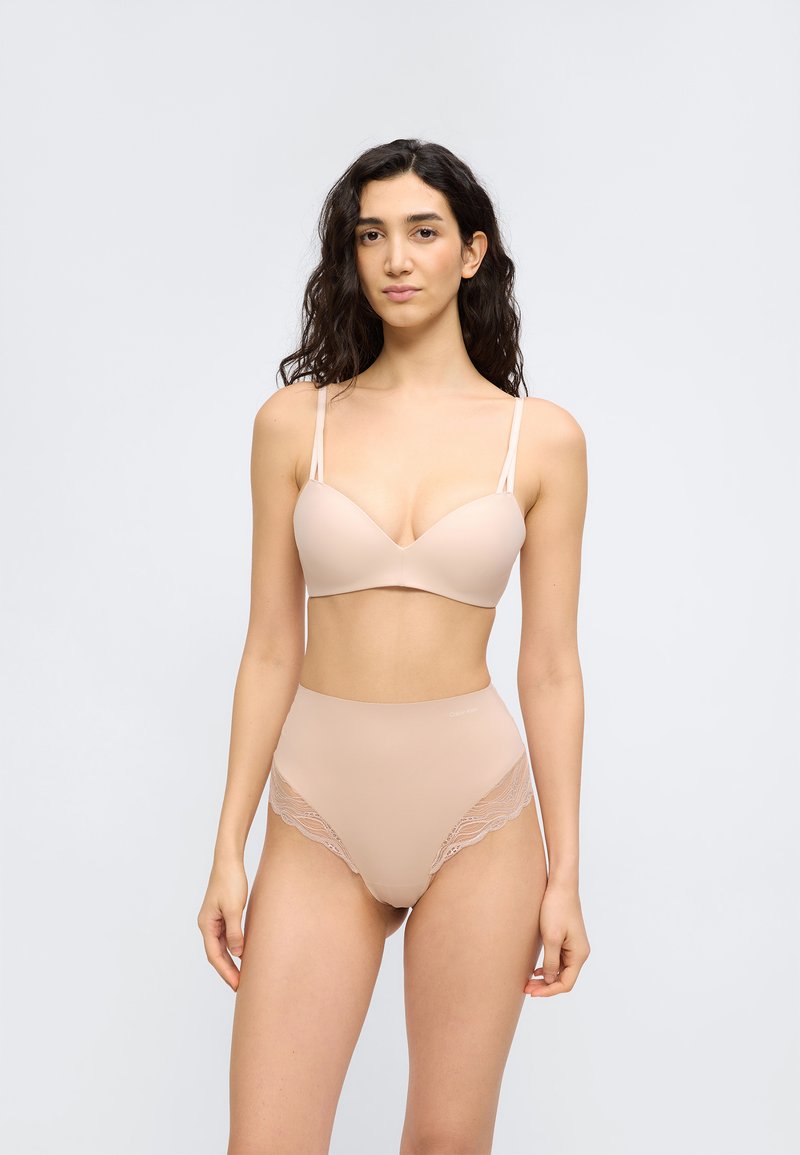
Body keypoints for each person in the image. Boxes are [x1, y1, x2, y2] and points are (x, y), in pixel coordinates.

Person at [198, 138, 591, 1154]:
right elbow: (269, 647)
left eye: (422, 232)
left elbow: (550, 666)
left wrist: (564, 874)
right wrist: (228, 848)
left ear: (472, 251)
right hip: (319, 811)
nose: (396, 259)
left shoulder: (541, 439)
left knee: (447, 1143)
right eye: (370, 235)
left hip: (479, 814)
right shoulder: (295, 424)